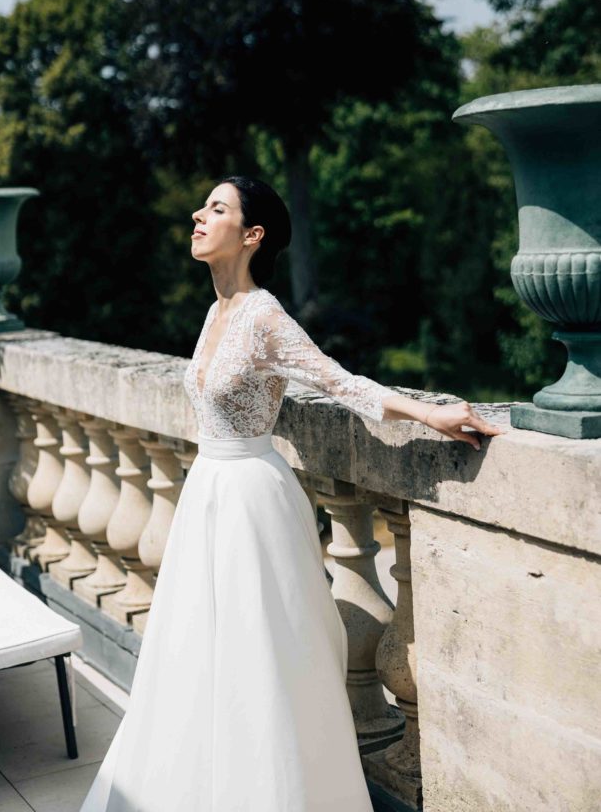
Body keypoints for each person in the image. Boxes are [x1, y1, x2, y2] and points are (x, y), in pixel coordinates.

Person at [80, 176, 505, 812]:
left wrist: (429, 413)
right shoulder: (214, 311)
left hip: (252, 502)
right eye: (202, 206)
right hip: (206, 495)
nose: (197, 215)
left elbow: (339, 382)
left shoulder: (263, 316)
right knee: (195, 653)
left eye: (216, 208)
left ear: (253, 235)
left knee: (258, 659)